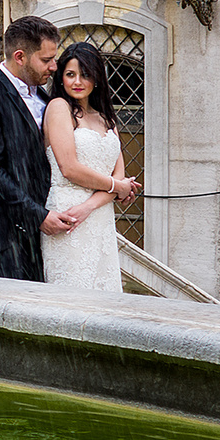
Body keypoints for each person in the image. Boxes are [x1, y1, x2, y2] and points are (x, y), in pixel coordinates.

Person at [0, 15, 68, 281]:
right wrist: (38, 216)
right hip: (4, 236)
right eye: (46, 60)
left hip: (44, 232)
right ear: (20, 56)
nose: (54, 67)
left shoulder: (45, 96)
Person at [39, 41, 139, 297]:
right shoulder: (59, 107)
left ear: (97, 77)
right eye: (70, 74)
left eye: (85, 74)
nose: (77, 81)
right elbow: (69, 168)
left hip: (99, 217)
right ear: (61, 77)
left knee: (104, 293)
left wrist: (90, 206)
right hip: (67, 212)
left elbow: (119, 177)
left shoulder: (106, 117)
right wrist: (118, 188)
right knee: (72, 294)